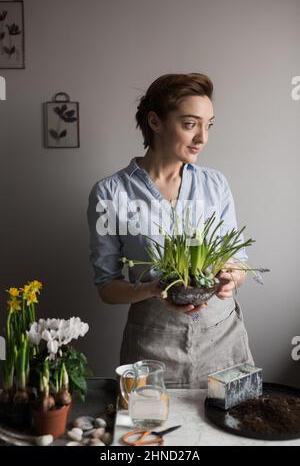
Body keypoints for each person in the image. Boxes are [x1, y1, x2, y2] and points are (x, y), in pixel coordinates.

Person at [87, 73, 254, 388]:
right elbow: (106, 286)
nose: (202, 137)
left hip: (222, 338)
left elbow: (239, 259)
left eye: (209, 125)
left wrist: (234, 276)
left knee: (231, 431)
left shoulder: (215, 184)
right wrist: (153, 289)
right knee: (149, 430)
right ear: (155, 121)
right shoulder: (110, 193)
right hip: (152, 346)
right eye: (190, 124)